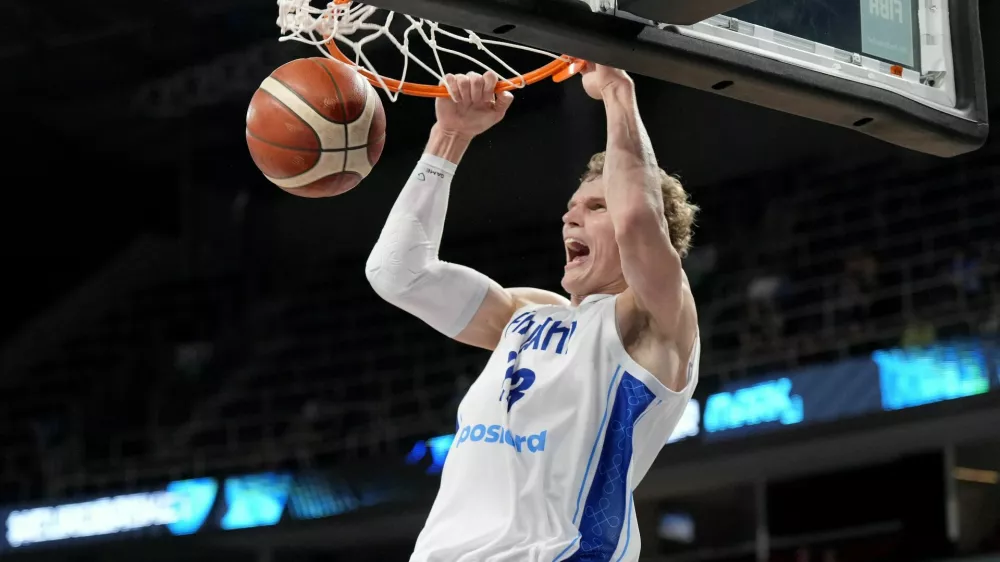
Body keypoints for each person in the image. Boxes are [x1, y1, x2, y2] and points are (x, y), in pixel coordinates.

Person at [366, 65, 700, 562]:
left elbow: (637, 221)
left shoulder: (655, 322)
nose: (569, 216)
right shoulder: (527, 314)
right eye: (572, 205)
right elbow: (398, 272)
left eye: (595, 207)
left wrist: (616, 91)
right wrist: (450, 136)